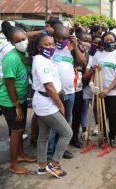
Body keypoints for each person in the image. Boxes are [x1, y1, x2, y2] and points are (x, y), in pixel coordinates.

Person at [30, 33, 72, 178]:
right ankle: (54, 165)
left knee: (43, 136)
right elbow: (49, 87)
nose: (51, 47)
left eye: (52, 44)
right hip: (47, 104)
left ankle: (42, 167)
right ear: (38, 46)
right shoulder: (42, 61)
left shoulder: (43, 59)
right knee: (67, 133)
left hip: (44, 102)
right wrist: (60, 105)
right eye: (46, 44)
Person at [0, 27, 36, 174]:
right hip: (10, 100)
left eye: (23, 39)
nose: (22, 42)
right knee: (16, 130)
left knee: (20, 130)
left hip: (20, 98)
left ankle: (20, 155)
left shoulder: (25, 53)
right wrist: (16, 106)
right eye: (17, 41)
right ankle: (13, 164)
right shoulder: (11, 58)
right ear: (11, 43)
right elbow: (8, 83)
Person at [47, 24, 86, 159]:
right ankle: (49, 153)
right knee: (53, 125)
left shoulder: (70, 49)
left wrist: (75, 46)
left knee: (65, 123)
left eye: (64, 38)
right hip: (54, 94)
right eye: (58, 37)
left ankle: (60, 150)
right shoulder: (49, 48)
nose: (60, 40)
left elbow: (83, 63)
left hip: (70, 93)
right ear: (53, 36)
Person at [90, 32, 116, 148]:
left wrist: (108, 89)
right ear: (103, 41)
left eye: (111, 40)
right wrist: (92, 85)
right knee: (101, 114)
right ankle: (104, 135)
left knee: (112, 114)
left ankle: (112, 136)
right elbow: (93, 72)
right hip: (99, 90)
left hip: (112, 91)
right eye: (107, 40)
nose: (109, 42)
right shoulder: (97, 54)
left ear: (115, 41)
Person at [70, 32, 92, 148]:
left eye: (89, 41)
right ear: (78, 40)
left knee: (77, 114)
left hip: (79, 88)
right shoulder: (70, 51)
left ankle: (74, 138)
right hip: (67, 88)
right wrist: (74, 47)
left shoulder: (89, 56)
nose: (87, 43)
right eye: (85, 40)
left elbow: (83, 63)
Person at [82, 35, 102, 139]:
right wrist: (90, 83)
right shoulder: (89, 57)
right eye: (93, 43)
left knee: (96, 108)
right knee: (84, 108)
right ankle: (85, 130)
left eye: (98, 44)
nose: (95, 45)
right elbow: (86, 75)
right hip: (87, 87)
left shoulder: (101, 55)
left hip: (98, 86)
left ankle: (97, 126)